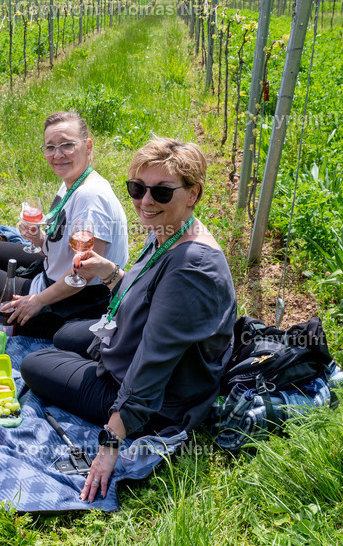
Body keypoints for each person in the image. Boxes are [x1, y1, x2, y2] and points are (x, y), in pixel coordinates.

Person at [20, 137, 237, 503]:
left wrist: (109, 443)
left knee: (34, 363)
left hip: (164, 401)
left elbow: (154, 361)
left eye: (161, 192)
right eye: (137, 189)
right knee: (64, 336)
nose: (146, 202)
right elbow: (149, 291)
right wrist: (109, 272)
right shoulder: (172, 229)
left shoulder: (192, 267)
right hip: (133, 344)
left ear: (193, 194)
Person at [0, 111, 128, 340]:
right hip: (55, 272)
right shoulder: (74, 181)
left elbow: (84, 275)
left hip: (72, 304)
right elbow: (62, 243)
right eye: (50, 147)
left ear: (88, 146)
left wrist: (36, 301)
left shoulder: (90, 198)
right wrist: (39, 238)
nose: (57, 154)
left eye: (67, 145)